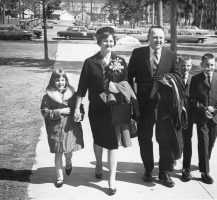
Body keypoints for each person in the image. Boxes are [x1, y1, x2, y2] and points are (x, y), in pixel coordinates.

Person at [74, 27, 135, 195]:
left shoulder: (121, 61)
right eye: (105, 41)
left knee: (113, 143)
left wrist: (119, 88)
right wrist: (77, 107)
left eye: (111, 41)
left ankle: (112, 178)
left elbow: (127, 84)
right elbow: (82, 87)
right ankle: (99, 163)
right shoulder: (90, 62)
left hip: (115, 109)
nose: (108, 43)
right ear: (99, 42)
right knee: (99, 138)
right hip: (96, 108)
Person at [128, 25, 181, 188]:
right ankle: (148, 169)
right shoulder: (138, 54)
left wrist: (169, 80)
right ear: (148, 38)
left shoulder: (171, 55)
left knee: (164, 139)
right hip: (144, 104)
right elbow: (129, 77)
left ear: (164, 38)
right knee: (145, 139)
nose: (158, 40)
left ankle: (164, 173)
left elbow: (178, 75)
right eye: (154, 37)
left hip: (164, 105)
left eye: (160, 37)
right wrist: (132, 100)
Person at [188, 53, 217, 184]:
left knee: (211, 143)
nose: (209, 68)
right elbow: (192, 99)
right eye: (206, 65)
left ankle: (203, 162)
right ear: (201, 65)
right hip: (201, 117)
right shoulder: (195, 79)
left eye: (212, 65)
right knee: (203, 143)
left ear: (215, 65)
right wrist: (203, 109)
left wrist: (215, 108)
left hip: (215, 117)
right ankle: (205, 172)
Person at [41, 68, 84, 188]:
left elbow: (79, 107)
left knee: (68, 152)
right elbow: (45, 111)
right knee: (58, 153)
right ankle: (59, 178)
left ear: (66, 80)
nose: (61, 82)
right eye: (58, 80)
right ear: (52, 81)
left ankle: (69, 162)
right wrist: (59, 111)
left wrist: (79, 114)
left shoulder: (72, 95)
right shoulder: (47, 96)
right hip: (56, 129)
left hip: (69, 128)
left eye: (63, 79)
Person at [177, 55, 194, 182]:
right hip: (176, 115)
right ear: (179, 66)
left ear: (191, 66)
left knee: (187, 141)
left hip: (189, 116)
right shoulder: (174, 79)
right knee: (176, 139)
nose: (185, 68)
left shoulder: (194, 80)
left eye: (188, 65)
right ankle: (173, 159)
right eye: (183, 66)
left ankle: (186, 168)